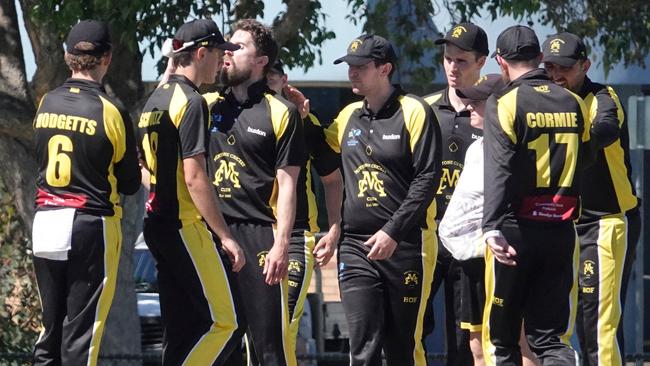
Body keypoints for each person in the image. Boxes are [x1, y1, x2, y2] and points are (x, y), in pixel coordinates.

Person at [325, 34, 441, 365]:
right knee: (363, 345)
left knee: (401, 346)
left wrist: (393, 231)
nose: (352, 73)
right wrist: (300, 116)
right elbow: (320, 152)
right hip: (355, 246)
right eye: (349, 67)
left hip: (405, 244)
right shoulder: (347, 116)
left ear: (385, 69)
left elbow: (427, 178)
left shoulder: (414, 111)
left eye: (361, 67)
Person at [31, 20, 141, 365]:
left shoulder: (46, 103)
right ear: (106, 58)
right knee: (82, 337)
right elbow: (129, 184)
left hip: (46, 218)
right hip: (90, 224)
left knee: (49, 331)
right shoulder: (111, 112)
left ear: (67, 57)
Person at [138, 19, 246, 365]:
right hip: (184, 225)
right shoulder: (192, 101)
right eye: (219, 54)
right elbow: (195, 175)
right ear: (201, 53)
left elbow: (146, 169)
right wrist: (225, 236)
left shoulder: (153, 100)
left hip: (155, 224)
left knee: (180, 328)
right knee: (228, 323)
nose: (222, 62)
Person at [482, 25, 590, 365]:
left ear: (500, 62)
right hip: (561, 229)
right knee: (549, 338)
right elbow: (584, 160)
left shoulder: (504, 102)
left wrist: (490, 227)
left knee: (504, 340)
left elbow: (497, 169)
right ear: (541, 59)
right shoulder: (574, 102)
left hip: (516, 231)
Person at [210, 19, 305, 365]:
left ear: (262, 61)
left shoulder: (281, 112)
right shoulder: (206, 105)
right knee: (219, 341)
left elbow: (288, 186)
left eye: (239, 47)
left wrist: (281, 244)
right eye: (227, 47)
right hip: (212, 232)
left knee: (267, 344)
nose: (228, 53)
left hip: (258, 236)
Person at [542, 32, 641, 366]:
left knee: (597, 322)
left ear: (585, 65)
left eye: (565, 68)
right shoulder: (542, 97)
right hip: (564, 222)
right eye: (550, 66)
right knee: (570, 320)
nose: (556, 75)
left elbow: (605, 128)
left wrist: (569, 149)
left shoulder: (602, 97)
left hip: (605, 220)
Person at [438, 74, 538, 366]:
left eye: (478, 103)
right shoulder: (474, 149)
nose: (469, 107)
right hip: (471, 258)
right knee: (476, 345)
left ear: (499, 106)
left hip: (502, 256)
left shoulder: (515, 148)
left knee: (516, 341)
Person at [267, 59, 344, 358]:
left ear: (284, 80)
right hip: (255, 229)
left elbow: (333, 179)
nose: (267, 84)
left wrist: (335, 228)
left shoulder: (305, 124)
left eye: (273, 77)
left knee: (284, 322)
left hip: (298, 234)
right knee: (256, 326)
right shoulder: (241, 117)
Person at [422, 22, 488, 365]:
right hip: (430, 236)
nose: (452, 67)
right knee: (414, 328)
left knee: (467, 341)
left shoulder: (493, 113)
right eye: (448, 59)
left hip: (472, 243)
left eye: (461, 61)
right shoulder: (426, 109)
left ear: (482, 62)